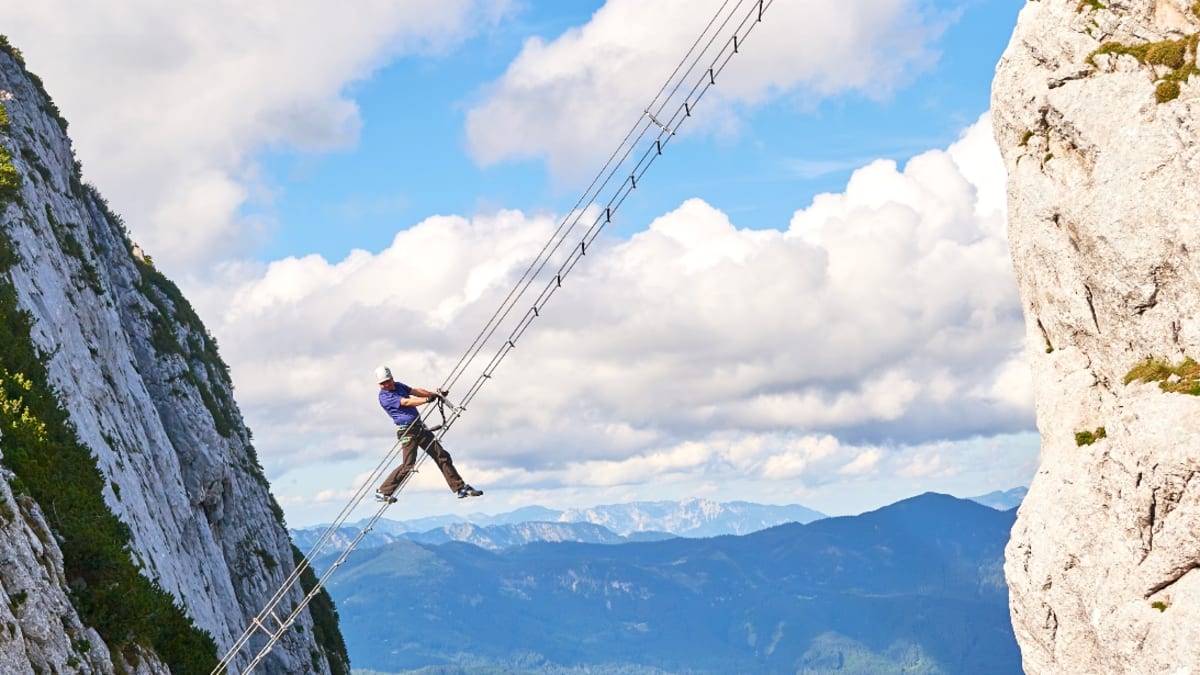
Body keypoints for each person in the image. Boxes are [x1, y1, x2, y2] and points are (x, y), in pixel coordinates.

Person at [373, 365, 482, 502]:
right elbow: (406, 402)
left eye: (388, 381)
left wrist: (433, 394)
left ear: (392, 378)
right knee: (408, 465)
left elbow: (415, 391)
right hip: (407, 431)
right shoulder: (384, 396)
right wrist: (426, 400)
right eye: (383, 383)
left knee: (441, 455)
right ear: (379, 384)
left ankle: (460, 488)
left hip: (419, 428)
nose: (387, 384)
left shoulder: (398, 386)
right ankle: (383, 491)